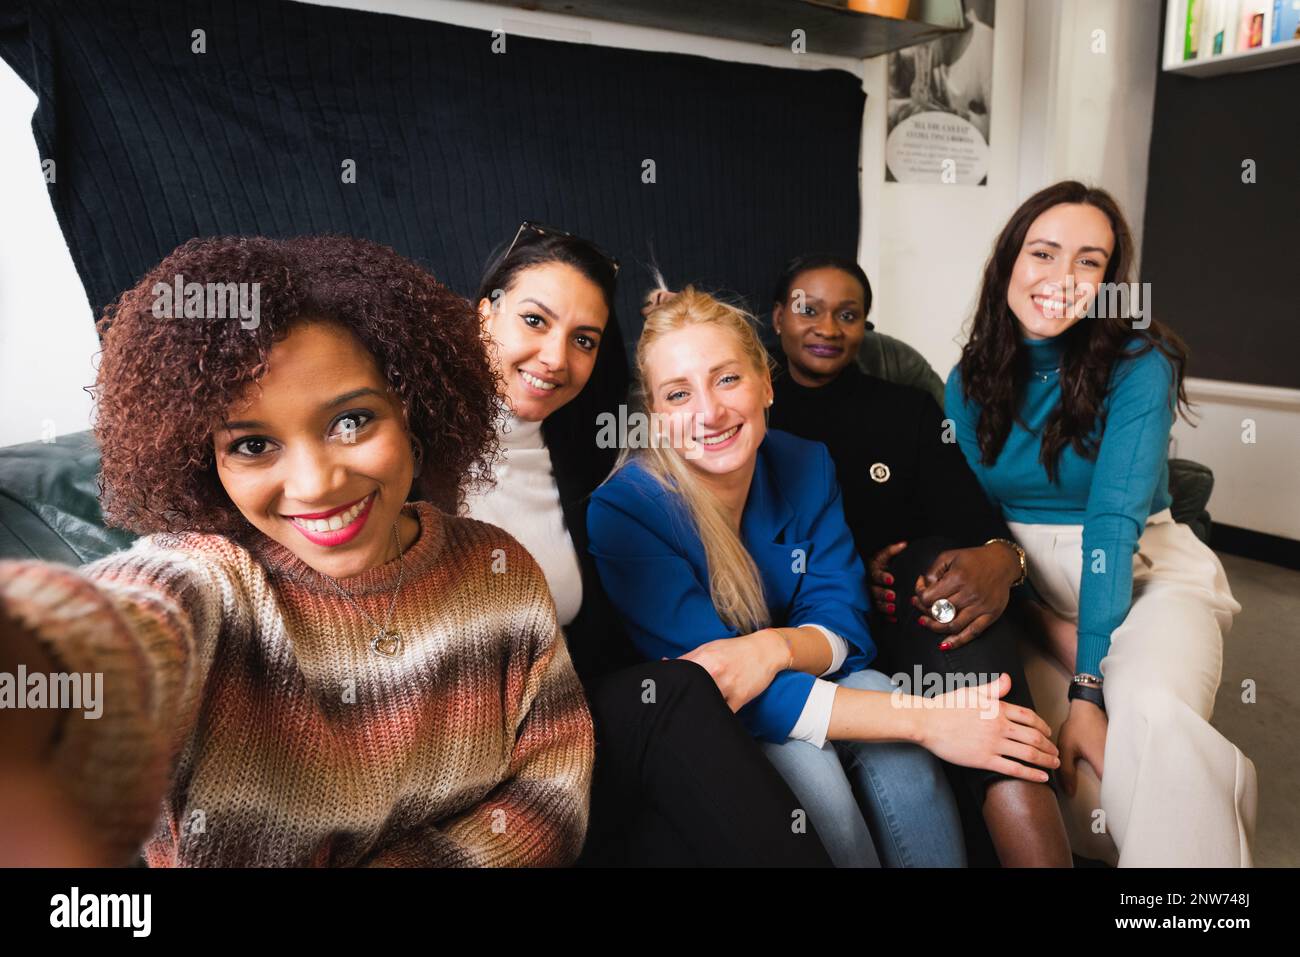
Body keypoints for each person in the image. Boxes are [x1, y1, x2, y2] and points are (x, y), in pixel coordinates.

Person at [0, 235, 592, 867]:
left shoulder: (498, 572)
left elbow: (550, 792)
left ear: (412, 411)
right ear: (207, 463)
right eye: (253, 445)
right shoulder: (207, 583)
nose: (316, 484)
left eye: (351, 421)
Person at [588, 287, 1062, 867]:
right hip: (696, 722)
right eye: (679, 394)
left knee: (897, 741)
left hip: (799, 672)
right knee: (817, 781)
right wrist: (930, 719)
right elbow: (716, 685)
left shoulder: (805, 462)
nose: (708, 413)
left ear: (766, 382)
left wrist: (772, 647)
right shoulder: (626, 510)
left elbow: (844, 620)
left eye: (727, 379)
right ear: (657, 418)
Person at [465, 223, 832, 866]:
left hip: (566, 733)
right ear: (483, 314)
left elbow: (681, 409)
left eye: (583, 340)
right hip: (448, 741)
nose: (555, 357)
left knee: (679, 706)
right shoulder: (403, 450)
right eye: (533, 320)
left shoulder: (586, 458)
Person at [946, 180, 1255, 866]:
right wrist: (1044, 625)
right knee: (1088, 791)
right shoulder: (966, 381)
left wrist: (1090, 685)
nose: (1063, 278)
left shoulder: (1141, 363)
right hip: (1033, 595)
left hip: (1144, 576)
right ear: (1008, 264)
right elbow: (978, 528)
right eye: (1044, 253)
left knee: (1153, 714)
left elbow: (1112, 522)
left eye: (1090, 261)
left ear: (1111, 281)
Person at [766, 253, 1071, 867]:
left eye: (848, 314)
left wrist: (1000, 561)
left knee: (944, 587)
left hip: (910, 604)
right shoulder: (750, 408)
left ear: (866, 327)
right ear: (776, 319)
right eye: (809, 309)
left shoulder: (904, 409)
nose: (828, 326)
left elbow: (971, 520)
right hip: (804, 619)